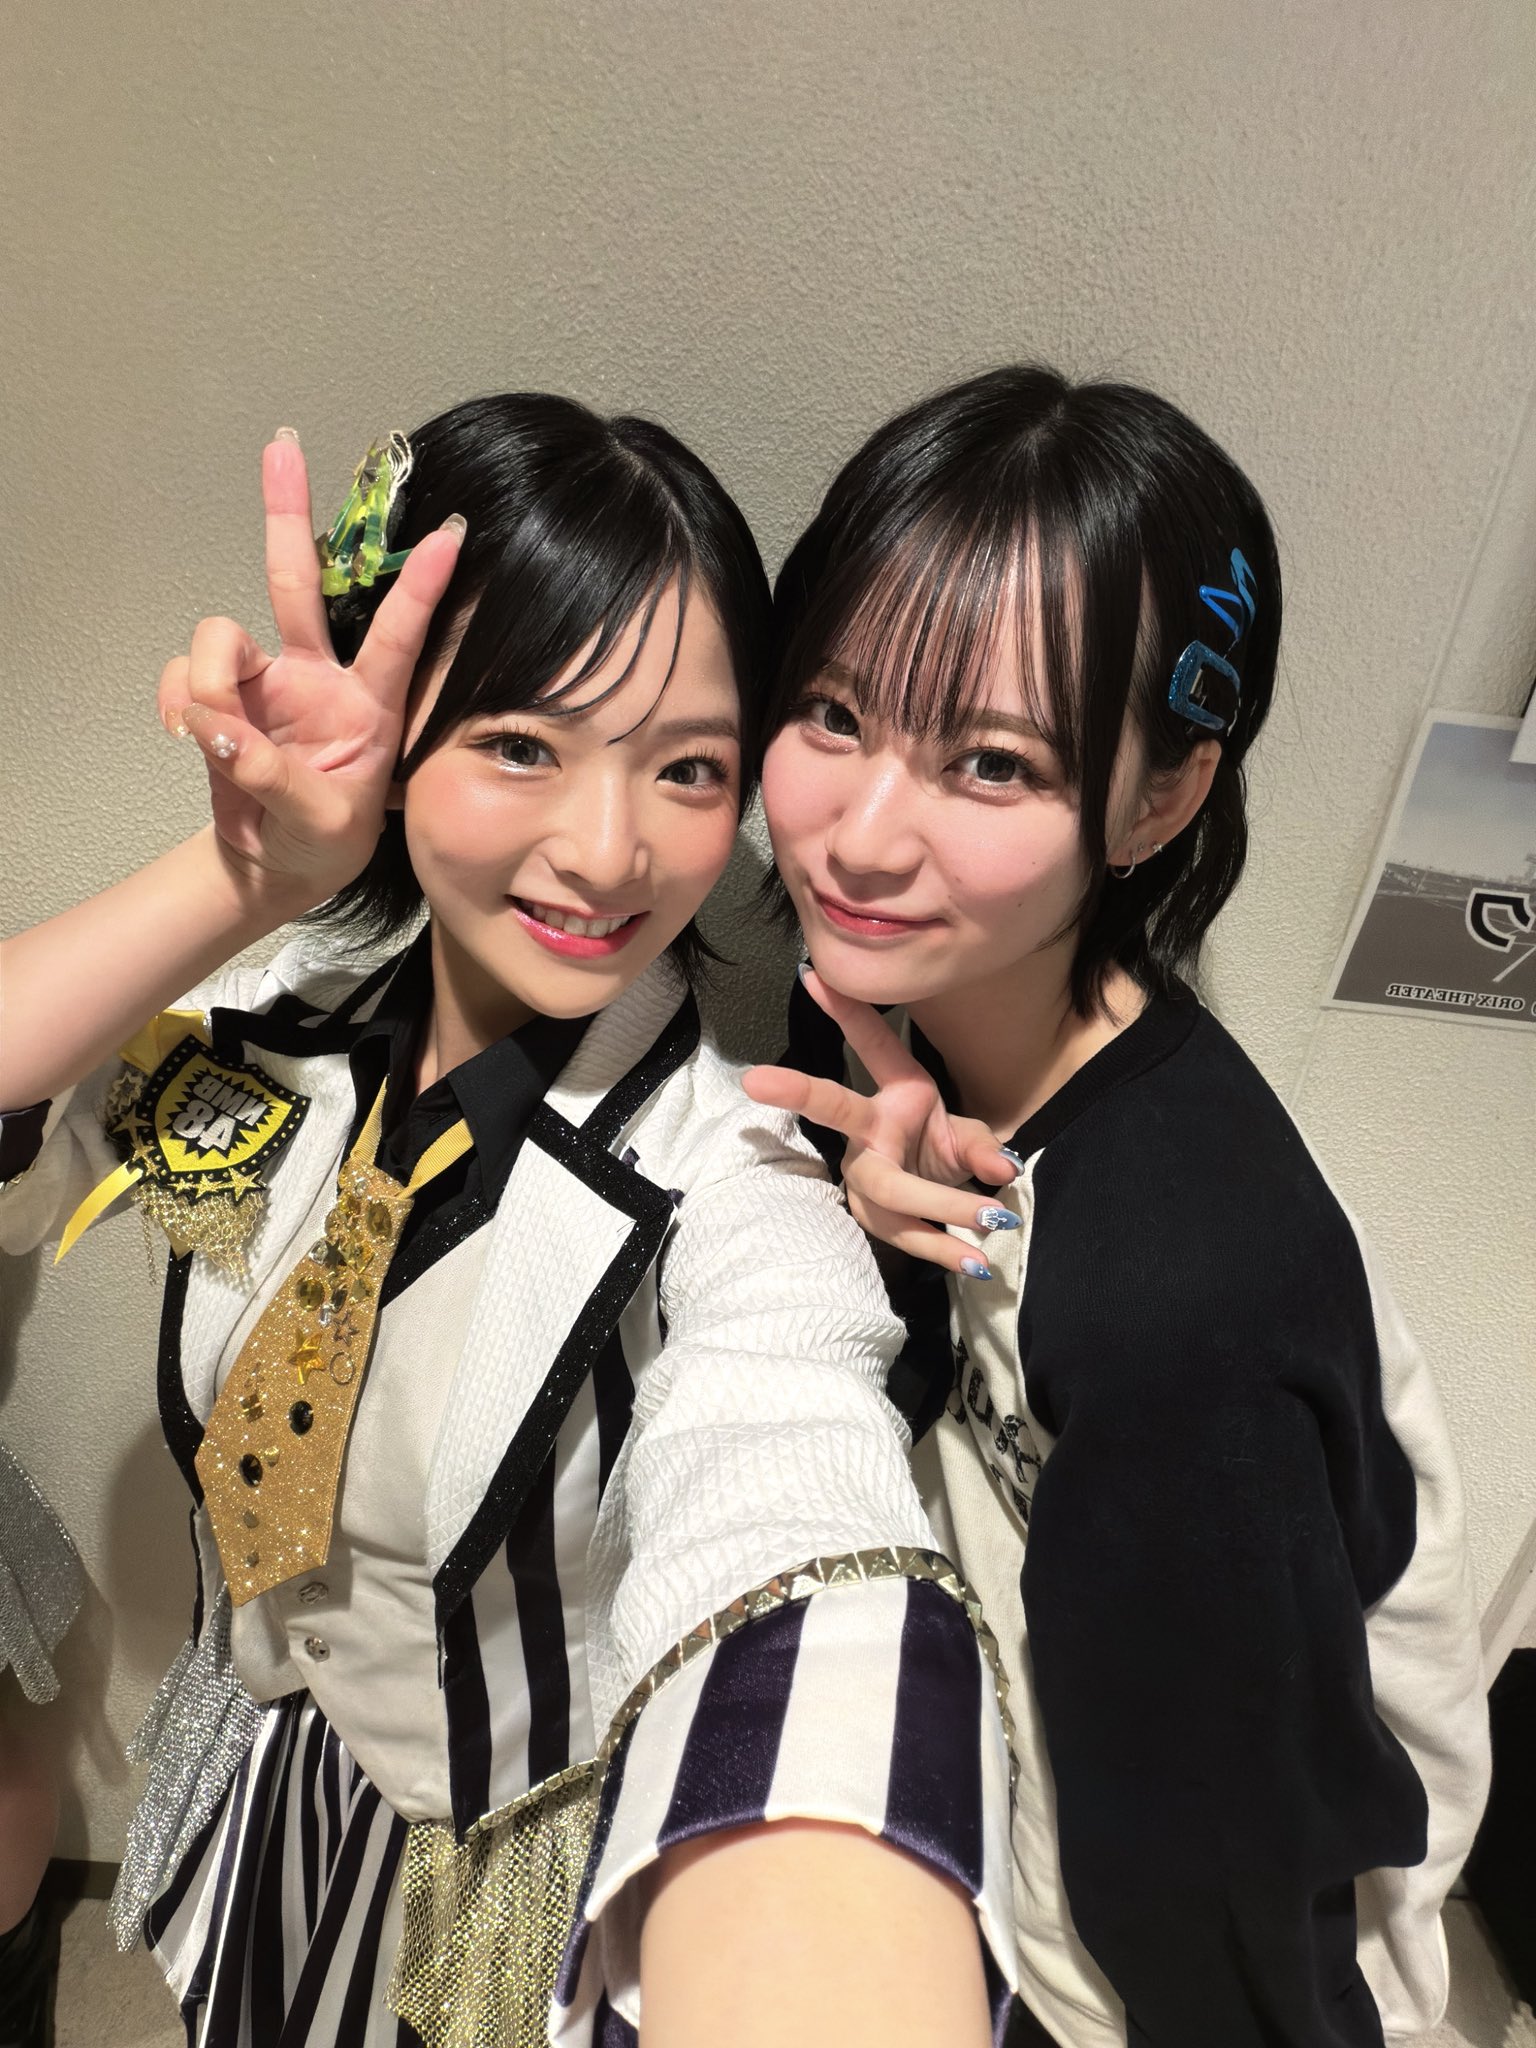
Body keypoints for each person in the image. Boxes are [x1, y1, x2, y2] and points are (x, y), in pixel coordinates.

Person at [0, 395, 1019, 2048]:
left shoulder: (734, 1181)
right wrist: (245, 878)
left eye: (688, 769)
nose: (609, 853)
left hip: (487, 1873)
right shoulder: (269, 1011)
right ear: (399, 735)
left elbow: (792, 1493)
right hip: (263, 1768)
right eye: (524, 745)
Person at [743, 364, 1491, 2048]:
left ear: (1159, 799)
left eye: (991, 762)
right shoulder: (893, 1006)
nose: (862, 836)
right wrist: (869, 1224)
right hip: (1006, 1829)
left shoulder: (1179, 1304)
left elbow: (1237, 1904)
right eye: (836, 715)